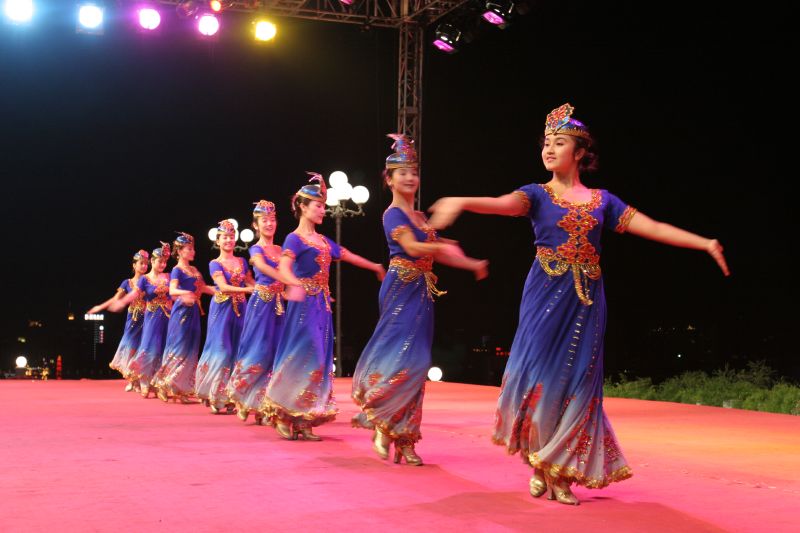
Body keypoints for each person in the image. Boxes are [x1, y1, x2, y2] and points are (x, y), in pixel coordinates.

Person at [428, 103, 729, 504]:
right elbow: (501, 203)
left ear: (581, 152)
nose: (550, 149)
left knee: (576, 382)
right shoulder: (535, 195)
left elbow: (651, 227)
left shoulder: (603, 201)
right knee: (539, 380)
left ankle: (560, 470)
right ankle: (541, 463)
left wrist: (704, 242)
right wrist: (461, 200)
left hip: (586, 299)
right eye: (546, 143)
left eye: (560, 142)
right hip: (544, 295)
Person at [352, 134, 488, 465]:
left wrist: (471, 263)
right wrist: (440, 242)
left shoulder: (420, 219)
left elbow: (441, 252)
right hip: (401, 288)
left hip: (422, 292)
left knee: (418, 363)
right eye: (402, 172)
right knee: (401, 360)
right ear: (389, 179)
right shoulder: (393, 215)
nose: (410, 177)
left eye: (413, 171)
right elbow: (413, 249)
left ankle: (407, 438)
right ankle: (383, 423)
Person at [262, 174, 385, 441]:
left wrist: (374, 266)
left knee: (318, 360)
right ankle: (284, 413)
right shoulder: (294, 239)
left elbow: (348, 255)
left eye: (323, 205)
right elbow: (283, 266)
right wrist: (293, 282)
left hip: (321, 306)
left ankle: (305, 417)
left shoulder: (323, 241)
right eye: (317, 205)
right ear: (303, 207)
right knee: (300, 355)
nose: (323, 209)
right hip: (302, 305)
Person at [227, 201, 286, 424]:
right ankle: (243, 397)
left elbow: (290, 274)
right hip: (261, 305)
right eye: (264, 220)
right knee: (257, 351)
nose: (269, 224)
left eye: (272, 220)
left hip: (279, 305)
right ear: (255, 225)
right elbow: (262, 268)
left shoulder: (282, 250)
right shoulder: (256, 249)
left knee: (277, 352)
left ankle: (267, 403)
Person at [195, 220, 255, 414]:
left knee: (239, 350)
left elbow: (251, 281)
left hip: (241, 309)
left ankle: (232, 395)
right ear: (218, 241)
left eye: (231, 237)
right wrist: (249, 289)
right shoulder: (215, 264)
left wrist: (263, 286)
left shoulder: (242, 261)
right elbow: (224, 287)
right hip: (222, 309)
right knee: (222, 351)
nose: (229, 240)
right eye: (225, 237)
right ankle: (214, 394)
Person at [152, 232, 215, 403]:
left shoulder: (194, 270)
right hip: (181, 312)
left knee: (190, 348)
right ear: (179, 251)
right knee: (178, 348)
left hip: (194, 310)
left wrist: (222, 290)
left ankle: (182, 388)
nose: (193, 251)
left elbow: (202, 288)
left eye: (193, 248)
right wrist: (186, 293)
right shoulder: (176, 270)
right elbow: (172, 291)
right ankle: (164, 384)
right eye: (189, 249)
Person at [116, 243, 174, 398]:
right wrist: (121, 302)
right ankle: (144, 381)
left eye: (164, 261)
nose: (162, 264)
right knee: (149, 349)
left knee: (163, 350)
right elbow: (134, 295)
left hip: (167, 318)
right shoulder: (145, 279)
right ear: (152, 262)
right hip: (151, 318)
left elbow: (174, 293)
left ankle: (159, 383)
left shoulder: (169, 277)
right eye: (159, 261)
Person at [88, 250, 149, 391]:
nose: (144, 266)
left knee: (144, 349)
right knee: (131, 349)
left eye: (146, 264)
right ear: (134, 265)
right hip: (133, 319)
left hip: (148, 318)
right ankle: (132, 380)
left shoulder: (149, 280)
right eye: (141, 263)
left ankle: (142, 380)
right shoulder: (127, 282)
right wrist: (100, 306)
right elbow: (116, 299)